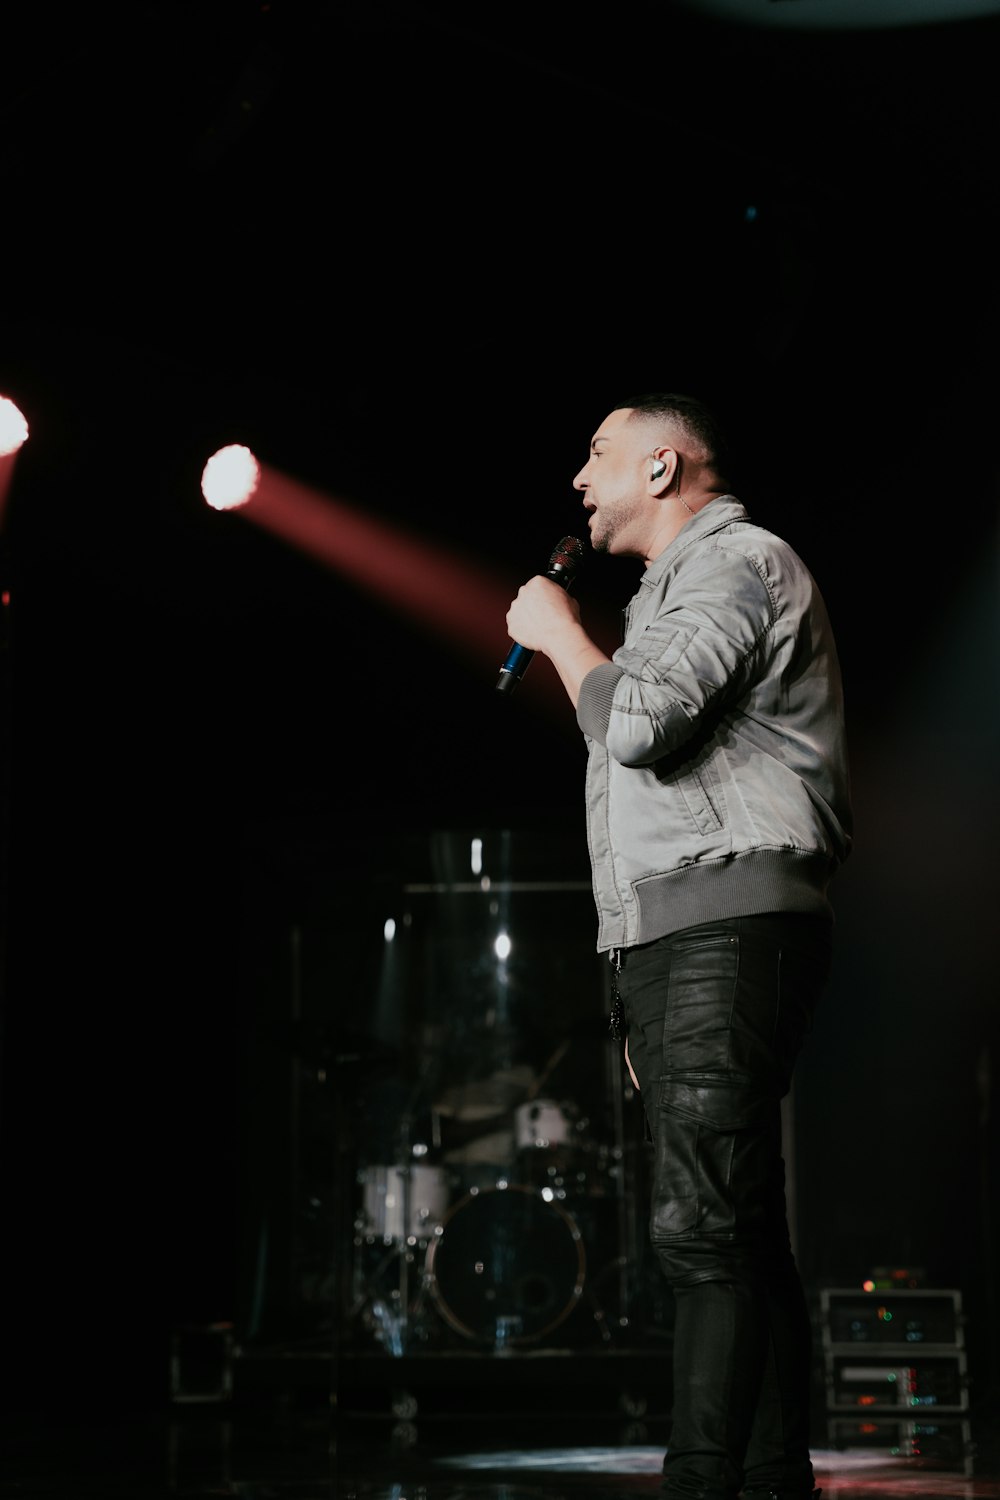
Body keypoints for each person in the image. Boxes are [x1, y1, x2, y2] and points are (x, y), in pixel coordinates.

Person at [504, 392, 852, 1500]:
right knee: (736, 1226)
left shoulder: (734, 562)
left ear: (662, 468)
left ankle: (700, 1480)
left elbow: (645, 728)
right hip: (675, 930)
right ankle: (765, 1475)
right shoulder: (669, 592)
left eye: (596, 455)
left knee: (700, 1226)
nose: (577, 479)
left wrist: (562, 635)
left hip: (725, 919)